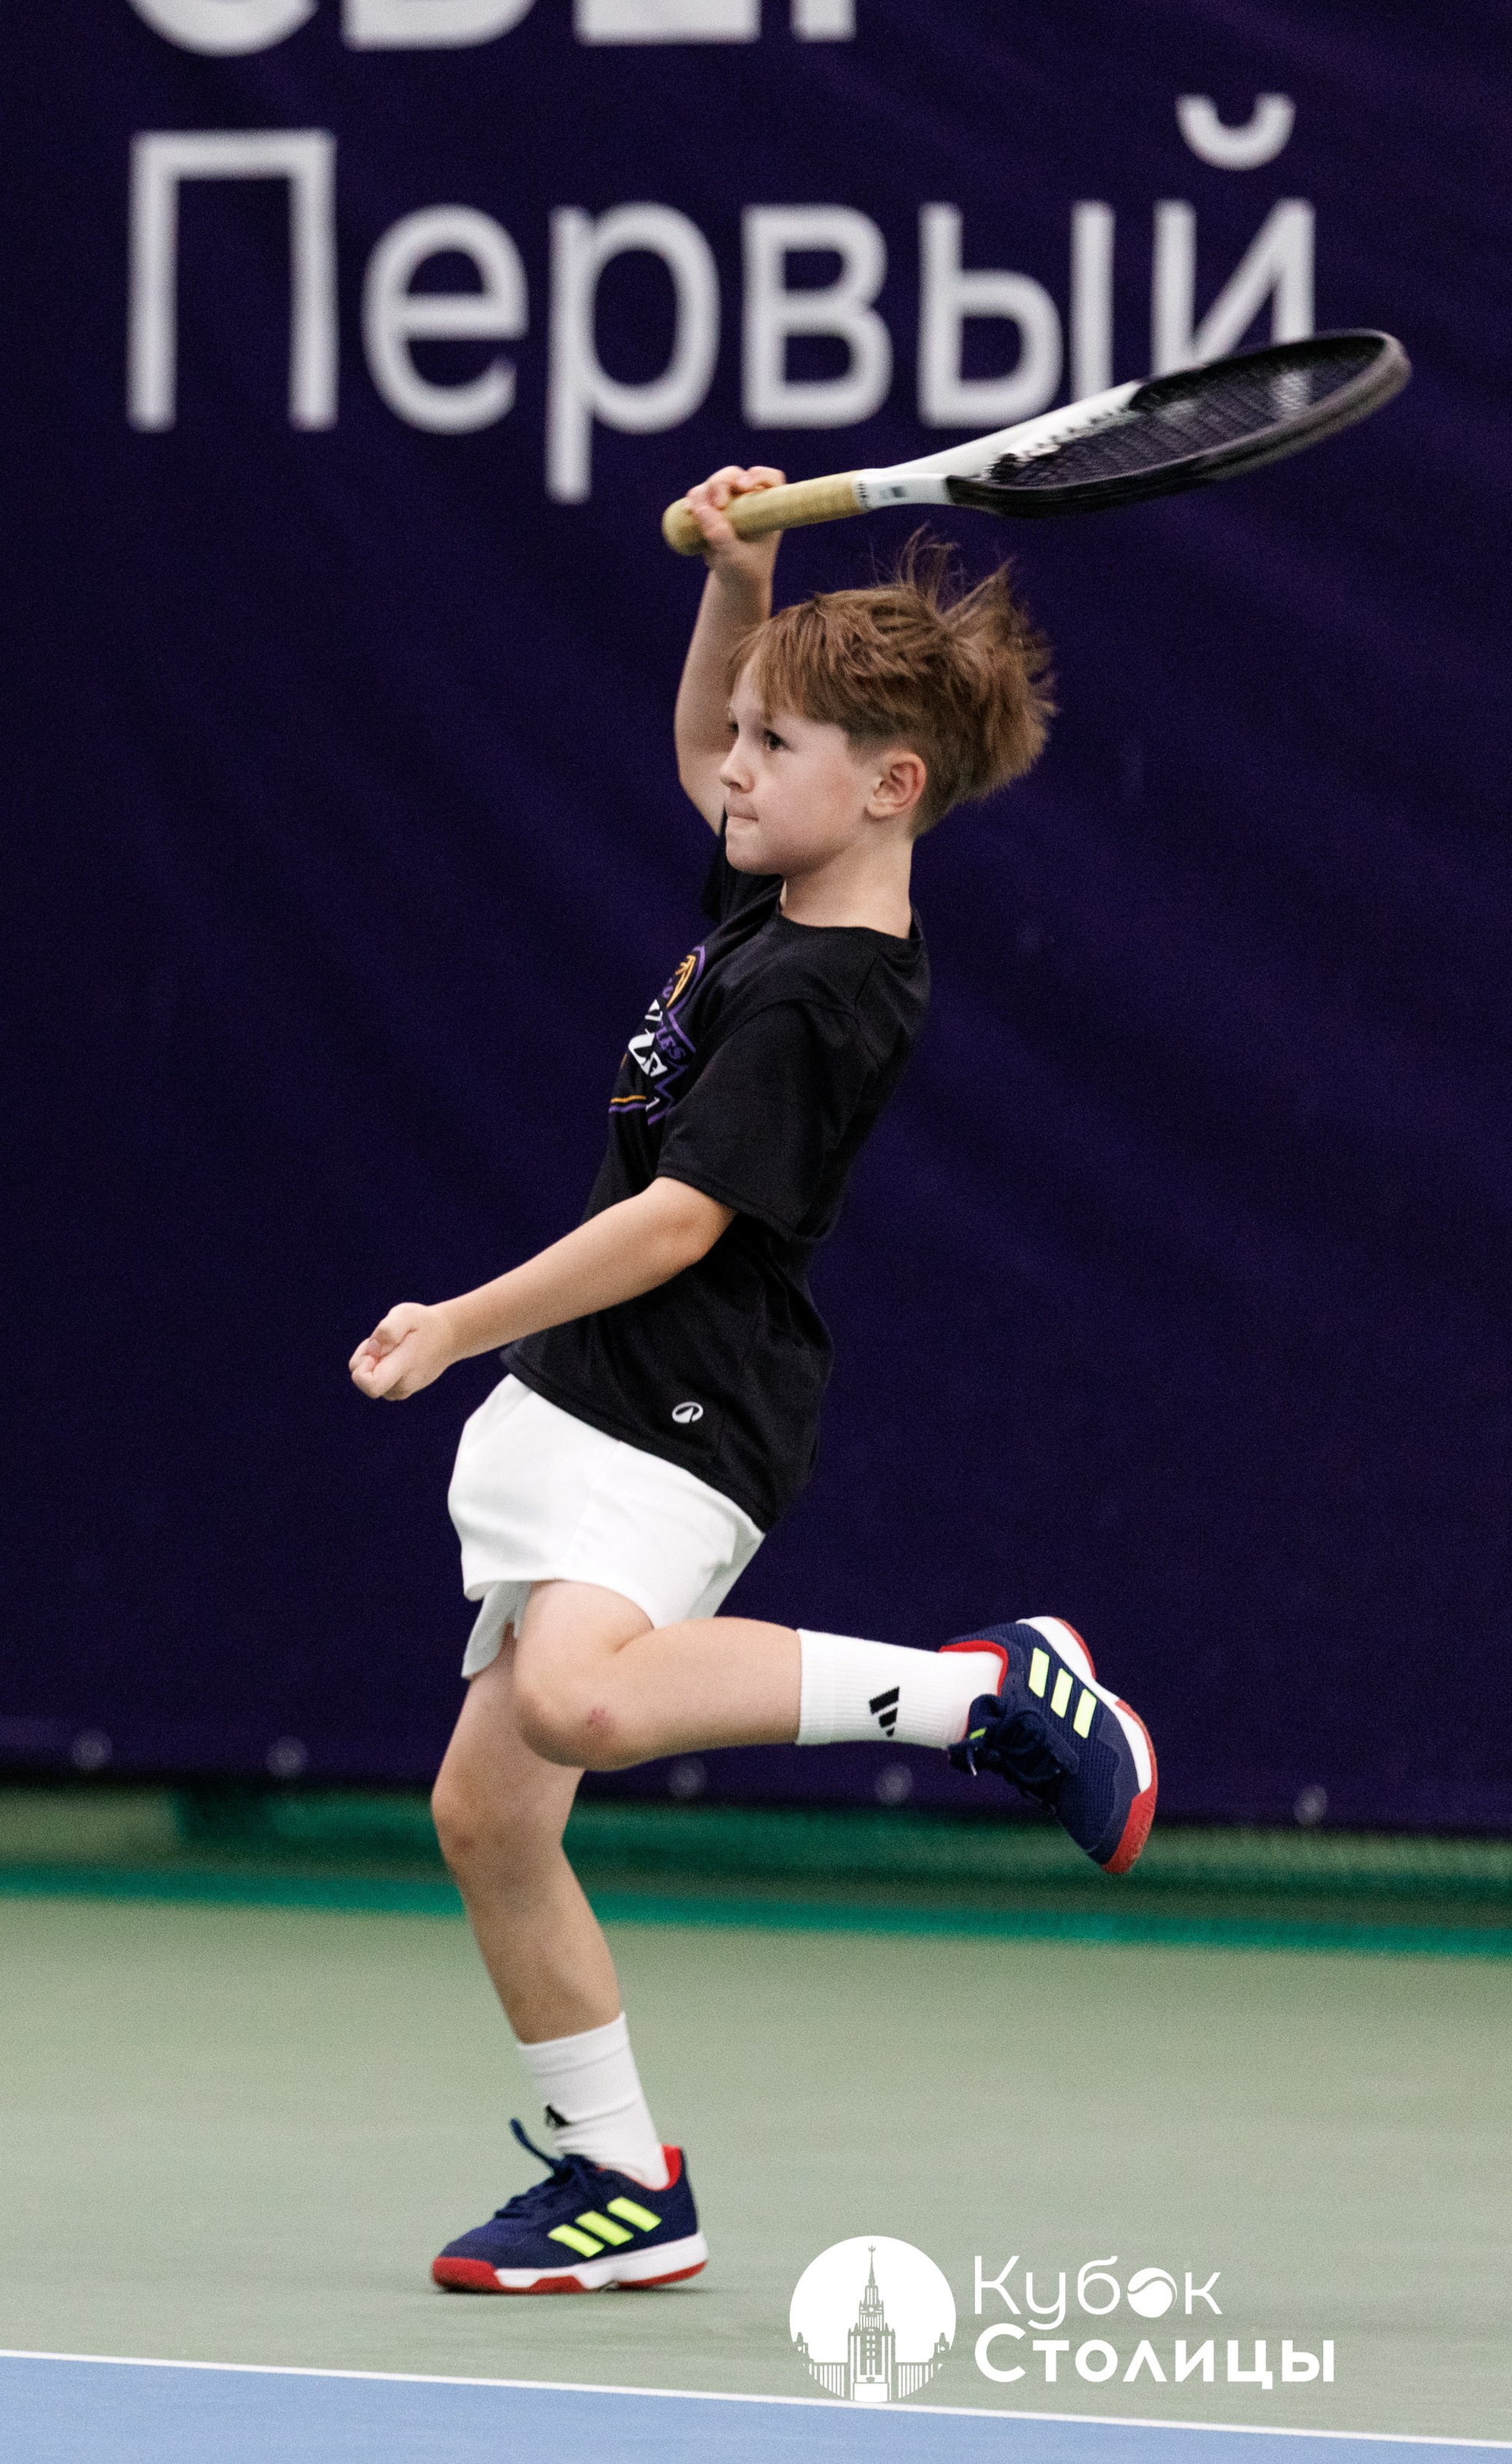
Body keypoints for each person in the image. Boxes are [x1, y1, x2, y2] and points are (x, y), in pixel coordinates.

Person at [349, 465, 1157, 2297]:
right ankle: (620, 2178)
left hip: (682, 1395)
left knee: (577, 1704)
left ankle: (981, 1694)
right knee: (486, 1815)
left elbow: (676, 1224)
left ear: (886, 785)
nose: (727, 760)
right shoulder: (781, 878)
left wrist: (460, 1315)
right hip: (584, 1386)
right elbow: (701, 718)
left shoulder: (827, 989)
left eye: (769, 741)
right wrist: (746, 572)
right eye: (735, 736)